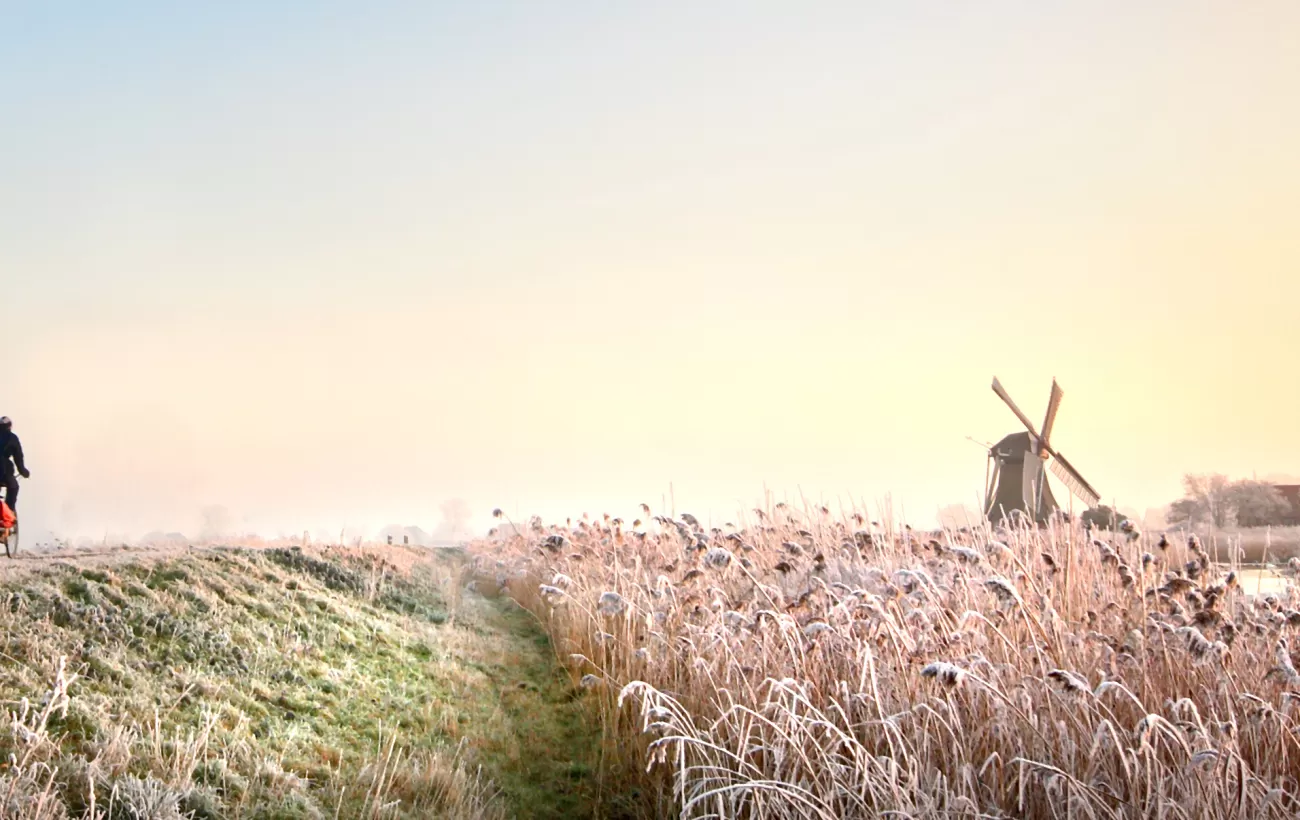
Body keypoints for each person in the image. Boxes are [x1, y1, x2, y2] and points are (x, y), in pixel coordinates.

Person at [0, 417, 29, 513]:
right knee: (13, 487)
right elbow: (18, 457)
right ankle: (8, 513)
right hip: (3, 471)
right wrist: (23, 471)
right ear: (9, 426)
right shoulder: (12, 438)